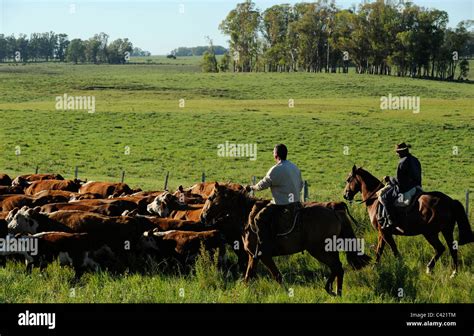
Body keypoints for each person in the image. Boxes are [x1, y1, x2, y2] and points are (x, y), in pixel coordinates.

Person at [246, 144, 304, 258]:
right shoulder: (294, 167)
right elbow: (301, 185)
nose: (273, 154)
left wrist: (251, 187)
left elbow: (262, 185)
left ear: (276, 155)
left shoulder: (275, 169)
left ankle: (263, 248)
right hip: (297, 203)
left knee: (258, 219)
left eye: (273, 152)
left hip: (281, 204)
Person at [380, 143, 422, 229]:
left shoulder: (402, 162)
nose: (397, 154)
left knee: (384, 197)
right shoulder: (415, 160)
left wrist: (389, 179)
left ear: (403, 151)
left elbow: (399, 181)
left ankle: (391, 220)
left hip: (405, 188)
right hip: (417, 186)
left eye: (398, 152)